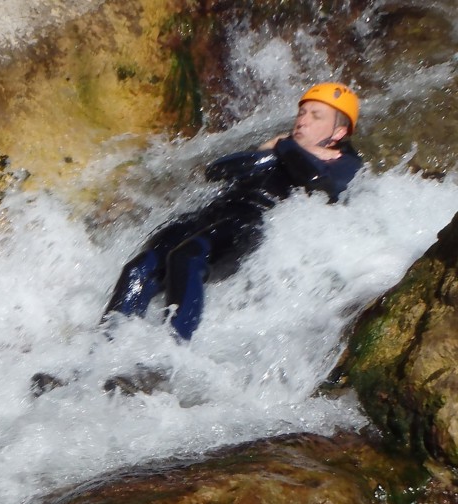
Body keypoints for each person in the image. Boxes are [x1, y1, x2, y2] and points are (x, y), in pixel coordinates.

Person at [101, 82, 363, 340]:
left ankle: (171, 351)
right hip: (214, 213)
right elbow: (217, 170)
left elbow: (320, 181)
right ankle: (104, 349)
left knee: (186, 257)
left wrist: (285, 147)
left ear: (338, 133)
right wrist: (275, 150)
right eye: (302, 113)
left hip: (249, 225)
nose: (302, 121)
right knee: (140, 266)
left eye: (316, 116)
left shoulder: (344, 160)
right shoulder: (284, 147)